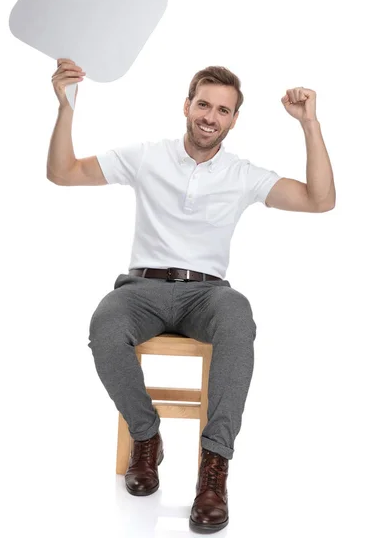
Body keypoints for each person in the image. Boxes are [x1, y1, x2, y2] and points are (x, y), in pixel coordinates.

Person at [47, 59, 335, 533]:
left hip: (207, 295)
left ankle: (213, 469)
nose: (210, 116)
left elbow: (320, 200)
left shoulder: (242, 174)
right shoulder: (147, 155)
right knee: (105, 324)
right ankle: (146, 437)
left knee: (238, 318)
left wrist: (310, 125)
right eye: (203, 104)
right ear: (187, 106)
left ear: (233, 120)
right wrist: (65, 107)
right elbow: (62, 172)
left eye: (222, 110)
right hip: (142, 289)